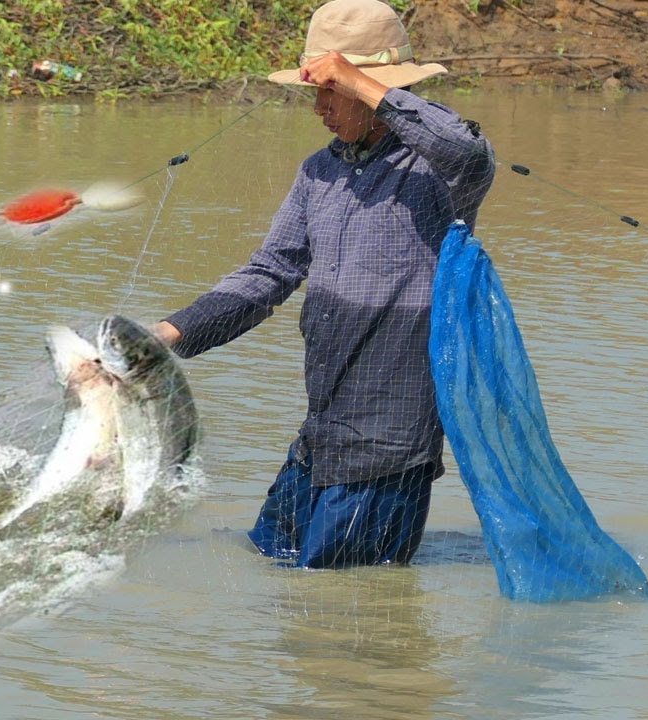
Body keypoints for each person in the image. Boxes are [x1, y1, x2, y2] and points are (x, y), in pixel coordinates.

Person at [151, 0, 496, 568]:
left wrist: (359, 81)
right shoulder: (320, 170)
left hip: (390, 439)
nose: (319, 107)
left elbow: (467, 148)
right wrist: (165, 335)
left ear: (368, 89)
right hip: (324, 429)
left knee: (349, 600)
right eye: (318, 91)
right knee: (273, 559)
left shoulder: (441, 171)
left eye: (330, 91)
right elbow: (270, 273)